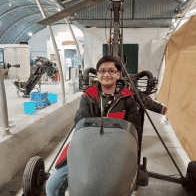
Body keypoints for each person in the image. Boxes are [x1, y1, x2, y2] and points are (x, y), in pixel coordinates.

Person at [46, 56, 141, 196]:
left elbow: (134, 127)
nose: (107, 74)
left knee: (114, 187)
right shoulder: (88, 96)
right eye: (102, 71)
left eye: (111, 71)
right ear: (97, 74)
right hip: (85, 149)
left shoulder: (128, 99)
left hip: (116, 150)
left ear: (118, 74)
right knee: (52, 186)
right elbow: (80, 120)